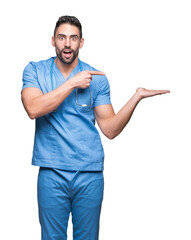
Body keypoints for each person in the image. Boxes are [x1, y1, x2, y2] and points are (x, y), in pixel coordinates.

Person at [21, 15, 170, 240]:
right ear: (53, 41)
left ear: (81, 42)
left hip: (89, 173)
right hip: (52, 171)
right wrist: (73, 83)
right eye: (62, 37)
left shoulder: (97, 79)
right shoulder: (34, 71)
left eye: (73, 38)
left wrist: (136, 97)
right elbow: (33, 108)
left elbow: (110, 129)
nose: (67, 43)